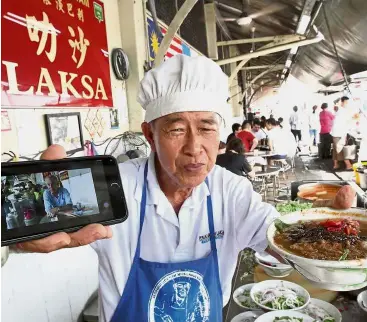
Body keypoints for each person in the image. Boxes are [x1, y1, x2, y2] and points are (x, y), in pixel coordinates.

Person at [11, 55, 280, 322]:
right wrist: (20, 234)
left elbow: (279, 240)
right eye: (176, 130)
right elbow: (25, 219)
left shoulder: (231, 191)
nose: (194, 147)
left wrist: (311, 244)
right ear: (150, 135)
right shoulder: (116, 187)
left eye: (206, 128)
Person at [331, 96, 353, 170]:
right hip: (339, 133)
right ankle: (348, 165)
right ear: (343, 102)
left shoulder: (343, 110)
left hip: (337, 132)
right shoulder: (339, 109)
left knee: (336, 149)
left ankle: (336, 165)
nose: (348, 104)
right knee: (340, 149)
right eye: (347, 102)